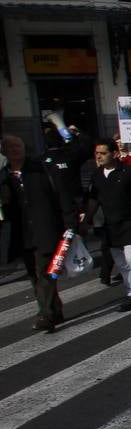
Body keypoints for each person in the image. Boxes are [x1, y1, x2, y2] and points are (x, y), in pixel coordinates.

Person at [0, 134, 80, 332]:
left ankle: (45, 314)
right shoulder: (4, 176)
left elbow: (63, 195)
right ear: (4, 152)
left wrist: (70, 224)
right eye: (10, 147)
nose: (14, 150)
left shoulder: (42, 168)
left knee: (45, 271)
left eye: (17, 145)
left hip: (46, 229)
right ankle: (55, 309)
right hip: (22, 234)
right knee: (34, 275)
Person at [86, 139, 131, 312]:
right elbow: (93, 200)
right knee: (122, 262)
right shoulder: (97, 175)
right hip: (111, 225)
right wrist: (86, 219)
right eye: (97, 153)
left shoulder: (130, 172)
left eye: (103, 153)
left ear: (115, 153)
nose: (99, 156)